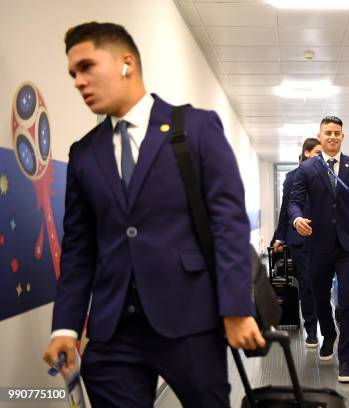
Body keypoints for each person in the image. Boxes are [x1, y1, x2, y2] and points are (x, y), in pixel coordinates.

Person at [42, 22, 264, 408]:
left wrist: (236, 308)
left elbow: (228, 224)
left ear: (126, 63)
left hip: (191, 320)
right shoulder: (84, 154)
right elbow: (79, 249)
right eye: (73, 73)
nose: (78, 81)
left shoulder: (195, 128)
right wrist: (65, 326)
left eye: (87, 67)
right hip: (114, 332)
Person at [289, 116, 349, 383]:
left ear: (343, 136)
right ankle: (329, 333)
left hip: (348, 247)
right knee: (319, 298)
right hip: (317, 244)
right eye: (328, 133)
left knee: (347, 302)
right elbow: (295, 201)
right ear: (319, 137)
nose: (333, 136)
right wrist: (297, 219)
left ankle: (345, 361)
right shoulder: (307, 169)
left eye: (337, 132)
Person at [270, 138, 322, 348]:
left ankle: (325, 322)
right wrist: (279, 236)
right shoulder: (292, 178)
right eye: (318, 152)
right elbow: (286, 209)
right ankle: (311, 328)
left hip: (324, 240)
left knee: (321, 284)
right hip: (299, 240)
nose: (322, 156)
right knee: (307, 285)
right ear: (307, 153)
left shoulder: (329, 175)